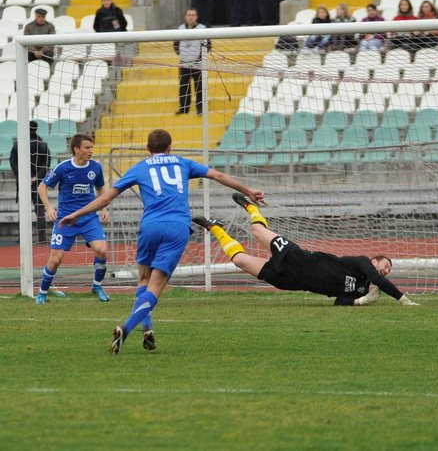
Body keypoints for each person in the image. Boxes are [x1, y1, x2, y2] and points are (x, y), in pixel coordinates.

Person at [58, 129, 265, 354]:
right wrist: (248, 190)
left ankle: (147, 328)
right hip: (177, 226)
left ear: (148, 148)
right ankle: (126, 328)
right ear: (170, 147)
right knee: (156, 285)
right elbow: (218, 176)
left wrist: (76, 214)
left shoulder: (140, 167)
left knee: (144, 279)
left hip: (150, 226)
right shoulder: (182, 163)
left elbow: (106, 197)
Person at [193, 193, 419, 307]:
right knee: (257, 230)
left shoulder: (362, 288)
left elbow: (339, 302)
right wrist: (402, 299)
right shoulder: (362, 262)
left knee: (240, 261)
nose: (386, 270)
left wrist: (362, 301)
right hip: (297, 258)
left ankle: (215, 228)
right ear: (374, 261)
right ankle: (252, 207)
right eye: (385, 265)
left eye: (389, 270)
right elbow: (377, 279)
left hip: (291, 281)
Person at [36, 134, 110, 305]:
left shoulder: (96, 167)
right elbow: (42, 187)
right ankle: (42, 293)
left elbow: (100, 188)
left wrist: (104, 208)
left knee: (102, 250)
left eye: (91, 147)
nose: (90, 151)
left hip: (88, 218)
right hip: (66, 219)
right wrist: (49, 208)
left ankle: (97, 286)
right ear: (77, 149)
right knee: (56, 259)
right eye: (87, 148)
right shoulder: (63, 168)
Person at [10, 121, 50, 243]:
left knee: (23, 210)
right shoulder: (43, 144)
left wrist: (24, 177)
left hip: (24, 183)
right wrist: (37, 177)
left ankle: (22, 238)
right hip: (39, 183)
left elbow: (13, 162)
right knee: (40, 210)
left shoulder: (18, 144)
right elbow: (46, 163)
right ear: (36, 129)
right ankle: (42, 238)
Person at [173, 8, 210, 115]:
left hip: (198, 63)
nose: (191, 17)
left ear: (196, 17)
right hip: (184, 63)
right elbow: (176, 44)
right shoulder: (180, 29)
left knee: (199, 87)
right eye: (189, 15)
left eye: (193, 15)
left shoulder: (202, 29)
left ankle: (200, 108)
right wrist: (182, 55)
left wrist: (200, 57)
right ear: (185, 16)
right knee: (183, 86)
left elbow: (208, 45)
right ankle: (184, 108)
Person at [93, 0, 133, 65]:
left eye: (108, 0)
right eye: (104, 0)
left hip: (118, 37)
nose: (106, 2)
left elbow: (124, 24)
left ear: (111, 1)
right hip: (104, 38)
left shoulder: (118, 10)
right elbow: (96, 26)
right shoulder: (99, 12)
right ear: (102, 1)